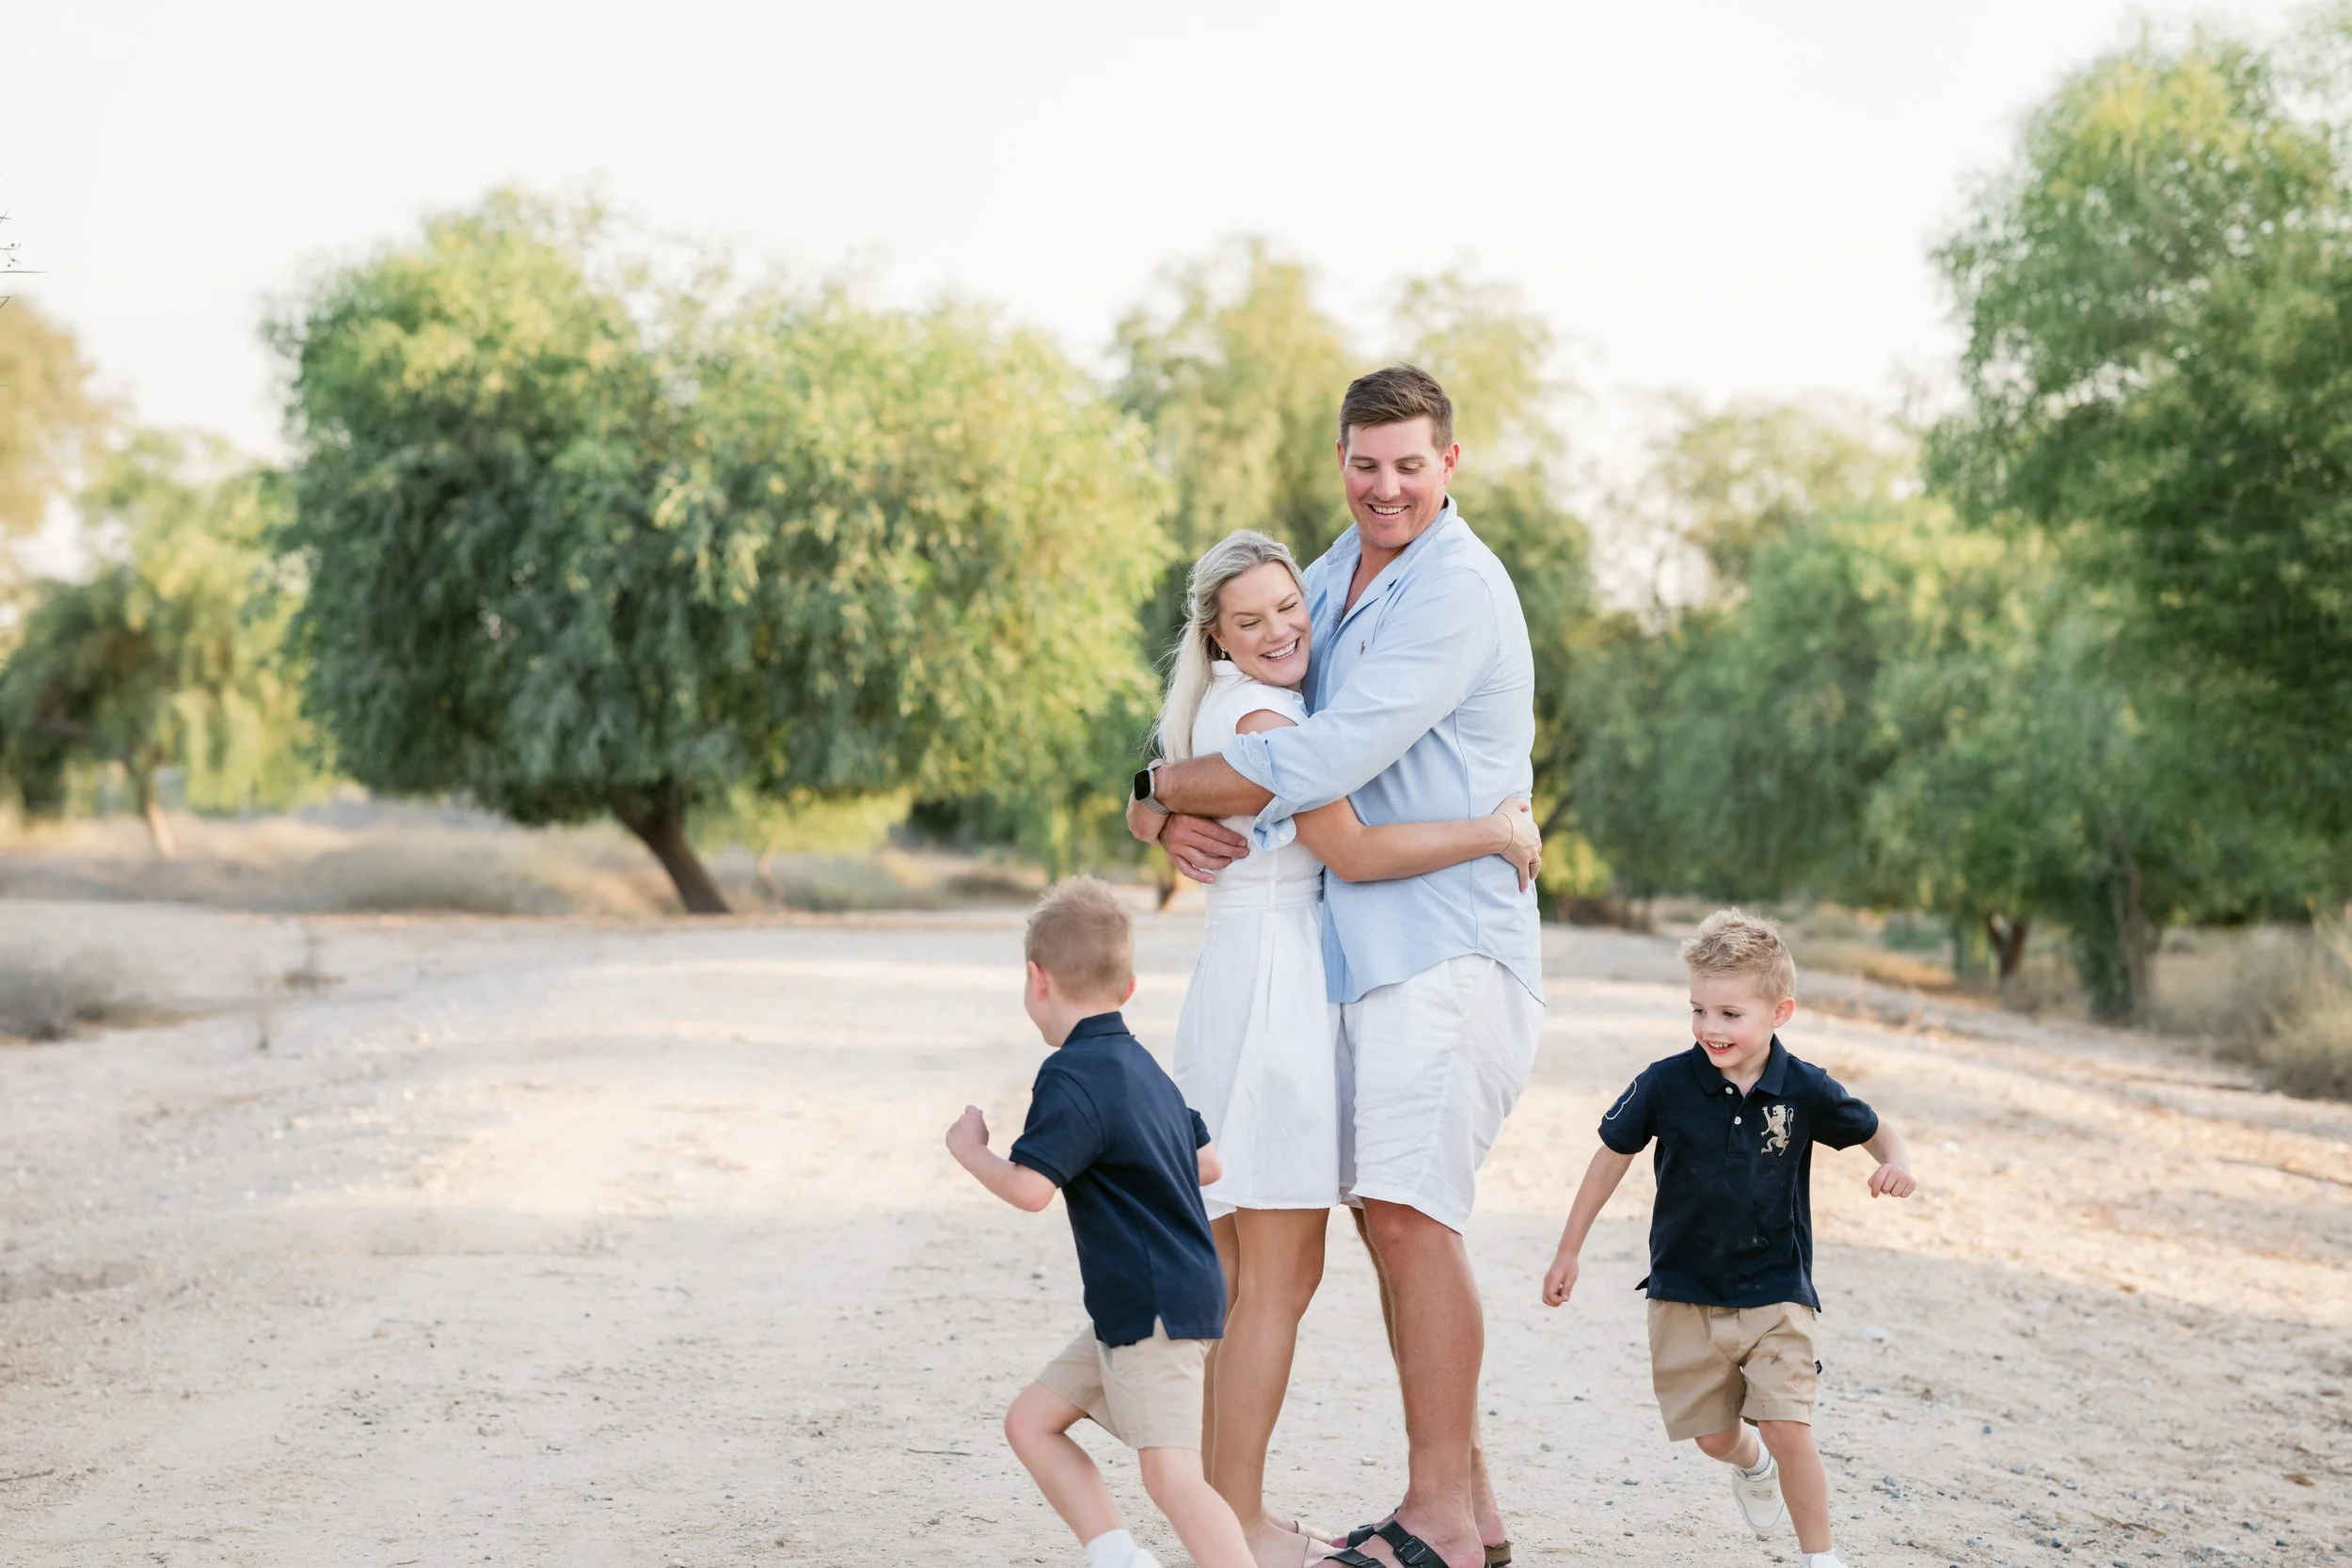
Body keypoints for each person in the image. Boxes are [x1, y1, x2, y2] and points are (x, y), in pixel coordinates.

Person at [1131, 365, 1542, 1568]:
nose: (1386, 485)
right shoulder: (1322, 574)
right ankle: (1468, 1509)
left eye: (1410, 463)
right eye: (1366, 463)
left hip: (1444, 942)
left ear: (1449, 464)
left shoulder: (1455, 589)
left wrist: (1164, 787)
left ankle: (1443, 1523)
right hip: (1345, 956)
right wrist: (1149, 799)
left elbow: (1319, 755)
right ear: (1341, 461)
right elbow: (1226, 688)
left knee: (1411, 1215)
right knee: (1389, 1220)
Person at [1539, 909, 1917, 1568]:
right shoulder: (1664, 1082)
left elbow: (1879, 1129)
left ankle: (1820, 1556)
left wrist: (1897, 1163)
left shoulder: (1803, 1087)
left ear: (1780, 1011)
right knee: (1716, 1437)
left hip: (1777, 1289)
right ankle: (1752, 1463)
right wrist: (1570, 1247)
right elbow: (1609, 1158)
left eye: (1730, 1013)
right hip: (1684, 1289)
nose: (1711, 1028)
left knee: (1788, 1423)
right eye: (1699, 1010)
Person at [945, 879, 1252, 1568]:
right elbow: (1208, 1163)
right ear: (1130, 984)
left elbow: (1029, 1189)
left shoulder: (1071, 1074)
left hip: (1155, 1308)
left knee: (1172, 1476)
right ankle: (1119, 1556)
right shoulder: (1145, 1067)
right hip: (1142, 1302)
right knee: (1031, 1421)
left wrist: (972, 1152)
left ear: (1036, 979)